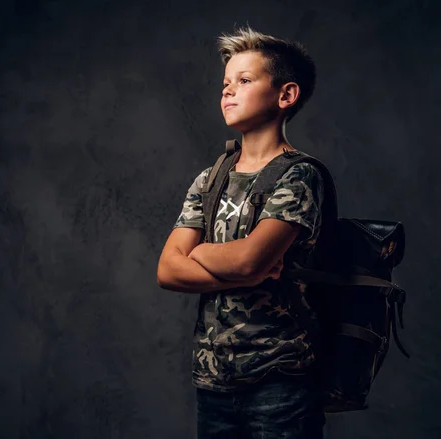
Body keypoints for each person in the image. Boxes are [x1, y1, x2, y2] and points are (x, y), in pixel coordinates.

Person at [156, 26, 327, 438]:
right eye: (225, 83)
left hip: (280, 380)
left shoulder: (299, 175)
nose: (228, 91)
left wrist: (200, 254)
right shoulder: (211, 177)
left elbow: (251, 261)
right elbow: (167, 270)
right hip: (212, 380)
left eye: (245, 81)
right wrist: (238, 264)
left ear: (286, 95)